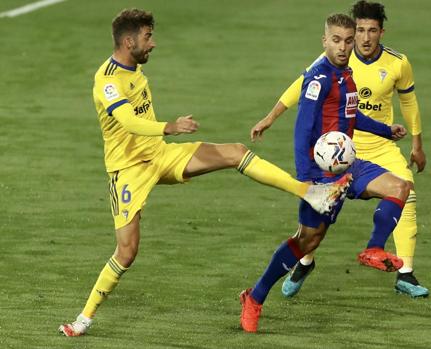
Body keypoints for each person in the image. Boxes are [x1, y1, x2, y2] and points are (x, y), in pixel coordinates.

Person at [58, 8, 351, 337]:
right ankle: (83, 319)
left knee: (235, 152)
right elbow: (127, 121)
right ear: (129, 41)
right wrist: (169, 126)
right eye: (147, 37)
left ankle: (309, 191)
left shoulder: (136, 69)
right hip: (128, 172)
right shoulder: (108, 81)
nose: (152, 44)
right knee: (127, 252)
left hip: (160, 155)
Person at [240, 13, 412, 333]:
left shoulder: (346, 75)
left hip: (348, 164)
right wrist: (307, 180)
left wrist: (385, 130)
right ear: (324, 41)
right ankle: (255, 297)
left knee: (400, 187)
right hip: (322, 174)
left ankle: (374, 247)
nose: (344, 47)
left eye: (348, 41)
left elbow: (351, 115)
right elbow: (302, 129)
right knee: (307, 240)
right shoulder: (318, 79)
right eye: (336, 40)